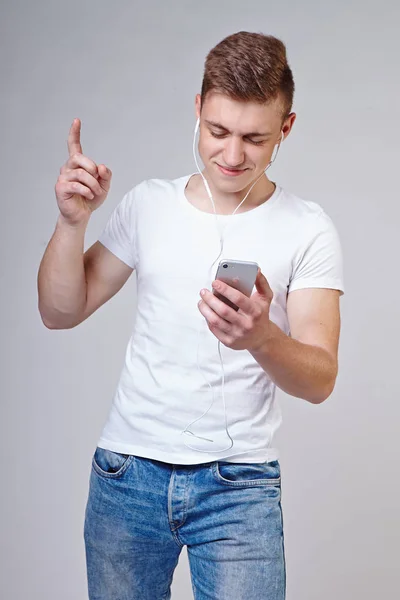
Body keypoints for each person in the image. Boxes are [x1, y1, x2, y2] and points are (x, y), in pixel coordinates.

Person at [37, 31, 344, 600]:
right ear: (197, 109)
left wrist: (261, 338)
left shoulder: (308, 227)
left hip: (239, 488)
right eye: (217, 131)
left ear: (287, 128)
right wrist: (71, 222)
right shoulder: (148, 205)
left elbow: (321, 378)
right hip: (126, 476)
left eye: (254, 138)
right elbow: (60, 311)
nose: (231, 156)